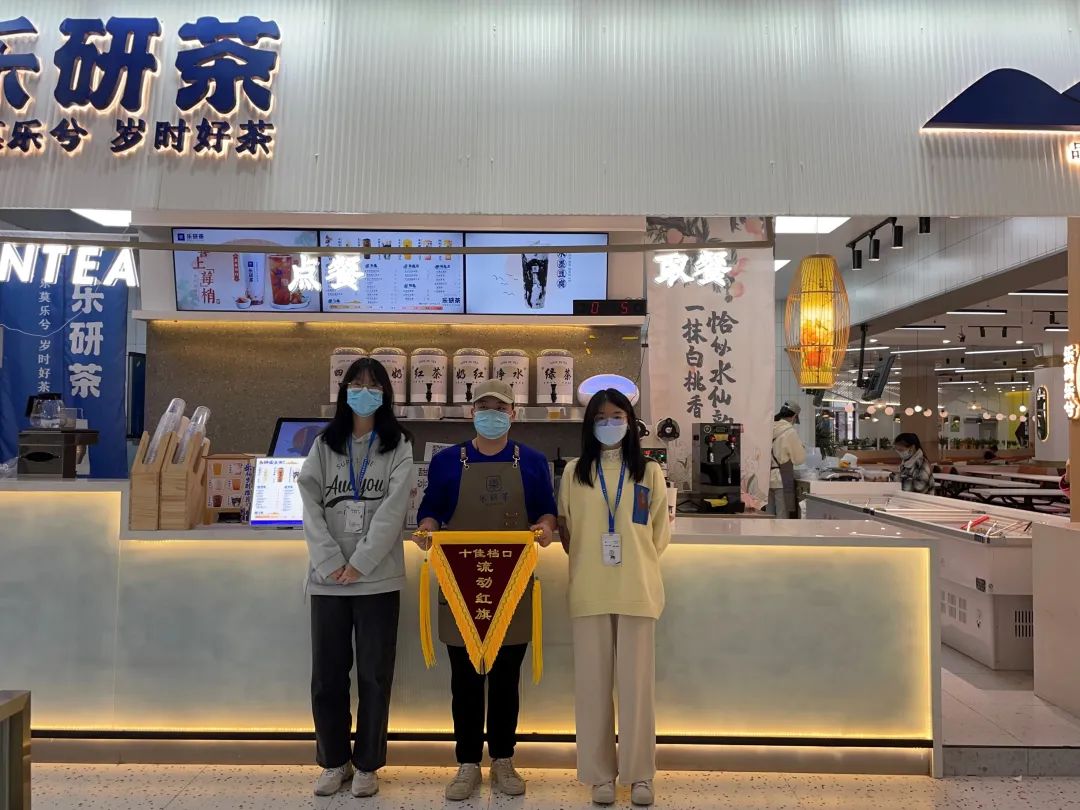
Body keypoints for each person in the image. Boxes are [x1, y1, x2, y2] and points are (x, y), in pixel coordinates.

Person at [414, 379, 556, 801]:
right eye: (483, 407)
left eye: (499, 408)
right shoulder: (446, 461)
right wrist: (426, 529)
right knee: (465, 679)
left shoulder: (532, 461)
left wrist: (545, 528)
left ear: (513, 414)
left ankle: (504, 760)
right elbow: (431, 510)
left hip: (512, 583)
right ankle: (467, 763)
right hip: (461, 583)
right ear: (471, 412)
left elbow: (545, 511)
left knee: (507, 678)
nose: (491, 414)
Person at [298, 358, 414, 799]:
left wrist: (361, 562)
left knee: (374, 676)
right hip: (327, 579)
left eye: (373, 385)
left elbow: (393, 511)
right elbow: (309, 503)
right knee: (327, 676)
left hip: (377, 579)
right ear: (345, 390)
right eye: (357, 384)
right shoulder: (324, 445)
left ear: (386, 394)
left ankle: (367, 764)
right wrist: (330, 560)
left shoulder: (398, 445)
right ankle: (334, 761)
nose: (365, 391)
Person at [558, 388, 671, 808]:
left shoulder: (649, 472)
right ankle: (599, 775)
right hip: (589, 589)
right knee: (592, 687)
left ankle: (640, 774)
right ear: (590, 425)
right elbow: (568, 530)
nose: (610, 424)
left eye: (617, 416)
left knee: (637, 687)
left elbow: (658, 533)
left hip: (637, 588)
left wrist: (633, 560)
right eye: (601, 417)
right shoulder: (575, 472)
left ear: (630, 421)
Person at [769, 401, 806, 518]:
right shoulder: (789, 432)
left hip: (766, 477)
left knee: (768, 516)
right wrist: (801, 448)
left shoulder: (769, 428)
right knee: (782, 516)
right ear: (794, 416)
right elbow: (799, 459)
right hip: (782, 478)